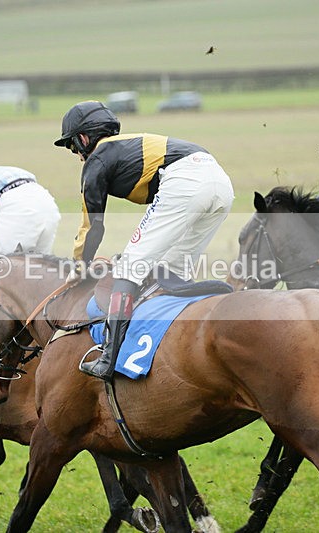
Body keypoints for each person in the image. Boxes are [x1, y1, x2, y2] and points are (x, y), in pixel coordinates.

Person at [55, 101, 235, 381]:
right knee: (172, 270)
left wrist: (80, 265)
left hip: (184, 182)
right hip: (221, 184)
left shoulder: (97, 159)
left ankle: (108, 357)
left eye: (73, 147)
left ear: (84, 138)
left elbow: (92, 225)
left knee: (130, 268)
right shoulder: (127, 145)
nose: (77, 156)